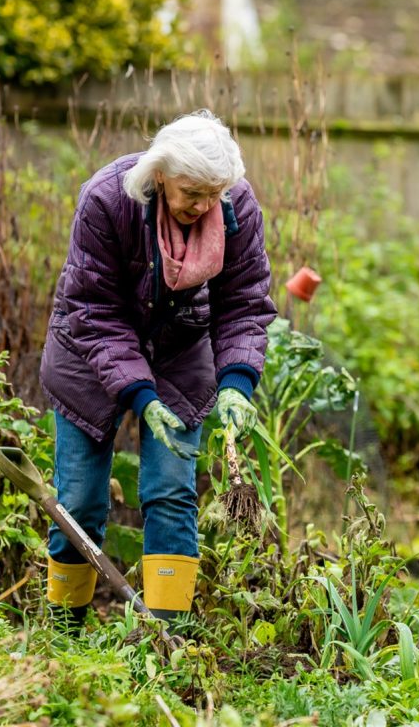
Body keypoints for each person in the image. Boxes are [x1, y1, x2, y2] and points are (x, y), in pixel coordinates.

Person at [40, 109, 277, 626]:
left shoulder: (234, 205)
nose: (205, 205)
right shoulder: (108, 199)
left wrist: (237, 383)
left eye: (215, 193)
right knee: (79, 501)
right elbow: (93, 311)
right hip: (87, 355)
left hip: (179, 355)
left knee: (171, 490)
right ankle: (63, 632)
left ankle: (167, 638)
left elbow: (245, 303)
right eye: (193, 192)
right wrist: (140, 397)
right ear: (160, 174)